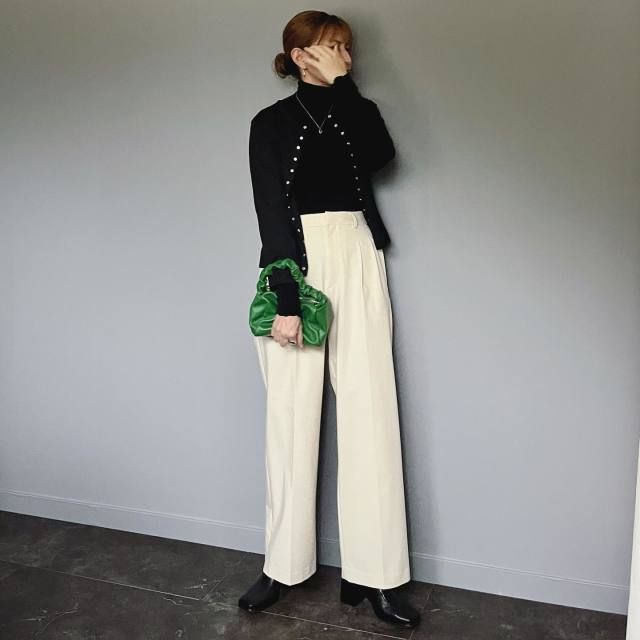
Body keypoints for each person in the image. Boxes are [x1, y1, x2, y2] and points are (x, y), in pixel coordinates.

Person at [238, 10, 420, 629]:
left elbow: (381, 157)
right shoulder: (269, 123)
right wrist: (287, 300)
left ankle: (376, 575)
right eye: (328, 47)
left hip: (358, 254)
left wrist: (344, 87)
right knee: (289, 417)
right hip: (296, 263)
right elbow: (270, 211)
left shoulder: (356, 111)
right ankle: (281, 566)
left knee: (372, 412)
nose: (342, 55)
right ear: (297, 55)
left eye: (345, 47)